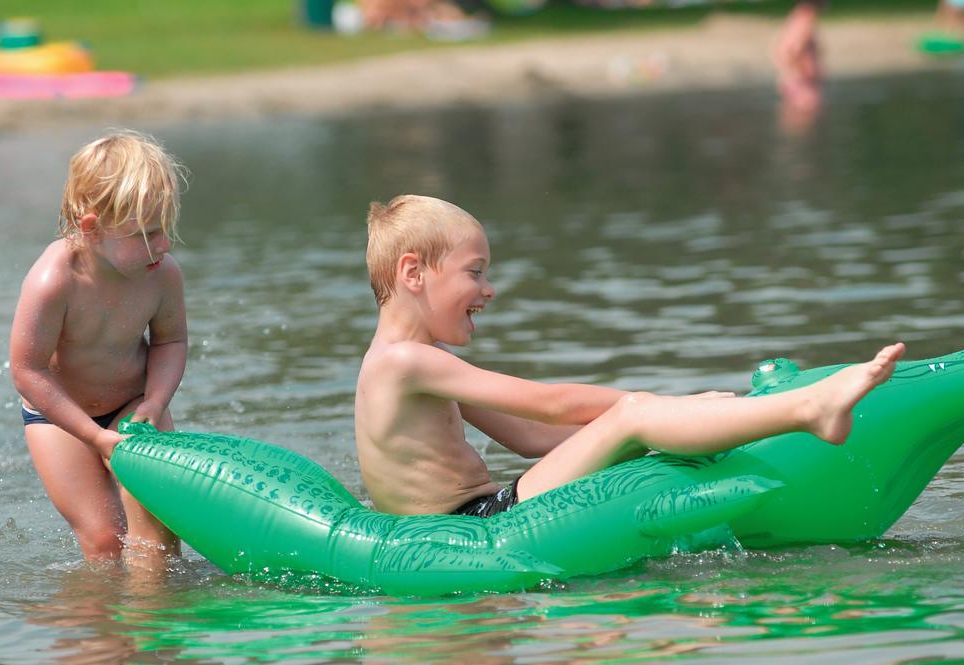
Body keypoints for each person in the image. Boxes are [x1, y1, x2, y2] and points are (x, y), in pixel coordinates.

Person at [355, 194, 905, 518]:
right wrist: (653, 407)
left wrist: (653, 432)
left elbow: (529, 438)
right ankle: (809, 411)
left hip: (485, 511)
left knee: (636, 425)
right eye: (475, 272)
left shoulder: (416, 363)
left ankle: (757, 422)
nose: (490, 289)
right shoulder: (404, 362)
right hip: (476, 527)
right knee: (635, 413)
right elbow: (547, 405)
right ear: (413, 273)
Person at [10, 129, 189, 564]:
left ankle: (157, 621)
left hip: (133, 403)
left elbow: (170, 340)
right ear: (92, 230)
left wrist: (155, 401)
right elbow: (28, 371)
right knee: (105, 541)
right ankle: (105, 630)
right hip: (59, 417)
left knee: (159, 530)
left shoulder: (161, 274)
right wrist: (92, 435)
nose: (163, 245)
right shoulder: (55, 282)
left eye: (165, 229)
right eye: (147, 234)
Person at [774, 0, 825, 115]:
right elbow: (792, 50)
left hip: (797, 80)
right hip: (802, 80)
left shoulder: (798, 17)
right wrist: (800, 72)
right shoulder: (805, 20)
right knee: (808, 112)